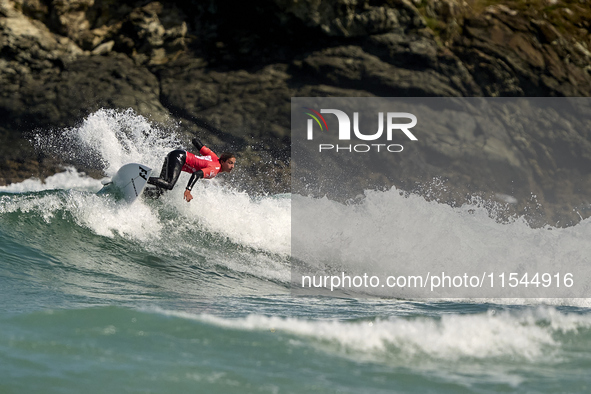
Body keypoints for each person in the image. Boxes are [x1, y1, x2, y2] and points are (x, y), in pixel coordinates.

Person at [147, 138, 236, 202]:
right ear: (223, 161)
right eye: (230, 163)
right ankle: (141, 176)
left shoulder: (213, 156)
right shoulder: (214, 169)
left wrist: (194, 140)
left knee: (161, 190)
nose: (232, 166)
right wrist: (188, 190)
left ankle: (142, 193)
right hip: (179, 158)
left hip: (176, 154)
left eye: (233, 163)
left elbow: (196, 141)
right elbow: (196, 174)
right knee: (169, 184)